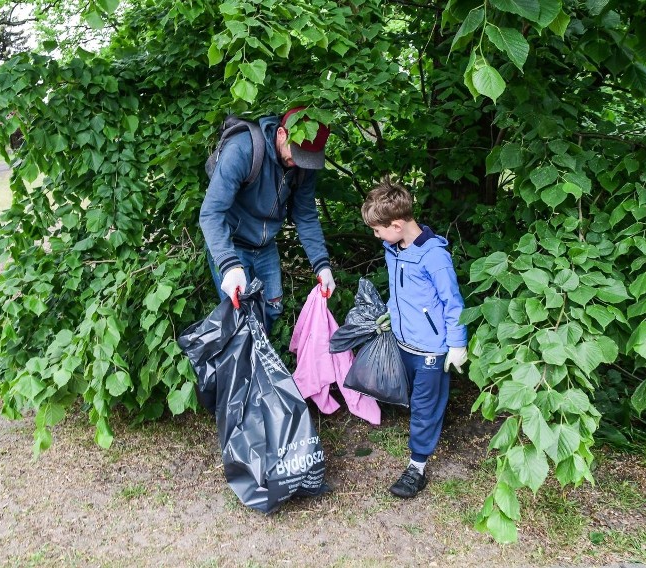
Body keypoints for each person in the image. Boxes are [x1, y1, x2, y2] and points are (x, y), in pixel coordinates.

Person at [362, 175, 468, 498]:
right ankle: (424, 438)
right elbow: (401, 294)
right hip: (403, 344)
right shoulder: (393, 250)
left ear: (397, 225)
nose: (376, 236)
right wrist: (390, 316)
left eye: (378, 230)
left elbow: (453, 302)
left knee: (425, 407)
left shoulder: (434, 257)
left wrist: (457, 343)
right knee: (413, 400)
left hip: (431, 351)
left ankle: (417, 468)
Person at [199, 107, 336, 331]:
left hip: (265, 246)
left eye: (307, 159)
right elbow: (211, 213)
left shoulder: (303, 165)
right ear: (281, 133)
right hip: (231, 245)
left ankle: (262, 358)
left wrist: (322, 265)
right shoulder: (243, 150)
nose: (299, 162)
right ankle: (242, 364)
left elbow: (306, 216)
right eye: (297, 154)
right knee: (240, 319)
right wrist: (229, 265)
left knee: (271, 310)